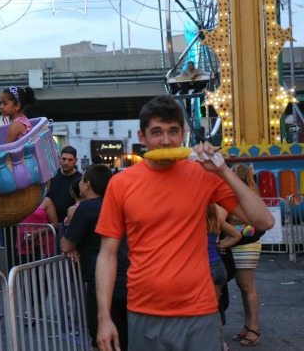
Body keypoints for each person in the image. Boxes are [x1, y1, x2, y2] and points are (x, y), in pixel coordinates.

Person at [94, 95, 274, 351]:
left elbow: (263, 220)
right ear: (142, 137)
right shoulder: (121, 184)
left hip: (200, 311)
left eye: (173, 132)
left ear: (183, 135)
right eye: (157, 132)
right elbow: (107, 255)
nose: (166, 140)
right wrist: (104, 318)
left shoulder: (203, 173)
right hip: (143, 311)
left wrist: (222, 170)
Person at [61, 164, 129, 350]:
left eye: (82, 180)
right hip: (130, 279)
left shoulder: (86, 208)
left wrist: (72, 245)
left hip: (102, 283)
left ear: (87, 185)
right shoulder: (119, 204)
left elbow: (66, 243)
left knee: (104, 340)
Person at [228, 163, 264, 347]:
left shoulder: (243, 196)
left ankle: (254, 328)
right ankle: (248, 325)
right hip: (242, 244)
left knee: (247, 286)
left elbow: (244, 217)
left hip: (245, 245)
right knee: (243, 286)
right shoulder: (249, 194)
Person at [207, 203, 241, 351]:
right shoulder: (215, 218)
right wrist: (219, 244)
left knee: (203, 311)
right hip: (219, 268)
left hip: (203, 269)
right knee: (214, 310)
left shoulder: (192, 219)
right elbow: (236, 235)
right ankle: (221, 343)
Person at [17, 197, 58, 264]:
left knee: (45, 272)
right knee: (26, 272)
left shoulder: (46, 201)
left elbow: (55, 224)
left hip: (44, 246)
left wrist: (37, 233)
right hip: (24, 245)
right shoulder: (19, 200)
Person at [47, 146, 82, 223]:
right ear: (60, 159)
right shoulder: (51, 176)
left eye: (70, 160)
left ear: (75, 161)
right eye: (64, 159)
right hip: (51, 224)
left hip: (72, 223)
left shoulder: (81, 180)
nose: (66, 162)